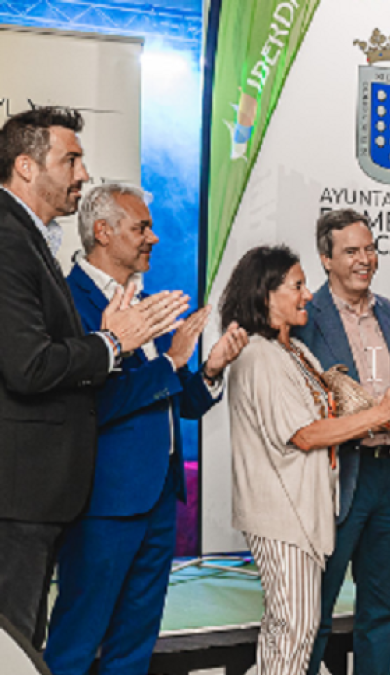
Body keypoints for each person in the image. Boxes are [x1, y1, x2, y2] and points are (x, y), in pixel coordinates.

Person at [0, 107, 187, 645]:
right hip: (26, 495)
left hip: (48, 496)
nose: (83, 174)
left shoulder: (33, 240)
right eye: (71, 160)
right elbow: (29, 365)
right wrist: (111, 344)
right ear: (27, 167)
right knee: (26, 646)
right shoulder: (10, 238)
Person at [43, 184, 247, 674]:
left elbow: (174, 399)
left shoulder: (146, 302)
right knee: (76, 639)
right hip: (104, 505)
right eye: (141, 228)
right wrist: (171, 361)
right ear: (102, 232)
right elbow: (93, 406)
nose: (153, 238)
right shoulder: (70, 304)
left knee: (135, 643)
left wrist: (209, 371)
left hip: (157, 499)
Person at [221, 246, 390, 675]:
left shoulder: (295, 351)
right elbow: (307, 434)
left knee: (292, 631)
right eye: (296, 286)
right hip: (281, 515)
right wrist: (382, 414)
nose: (307, 295)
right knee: (294, 632)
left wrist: (386, 411)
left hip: (304, 514)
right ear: (264, 295)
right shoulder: (259, 355)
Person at [298, 210, 390, 675]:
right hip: (337, 474)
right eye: (351, 252)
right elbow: (297, 400)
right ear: (325, 259)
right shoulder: (307, 318)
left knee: (380, 610)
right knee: (313, 613)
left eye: (370, 248)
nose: (365, 260)